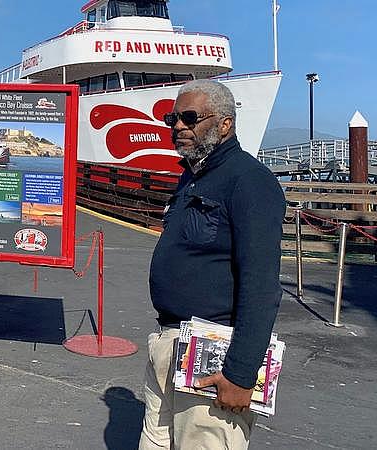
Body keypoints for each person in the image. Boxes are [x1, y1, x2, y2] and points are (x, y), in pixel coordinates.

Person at [139, 79, 285, 450]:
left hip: (213, 353)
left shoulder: (250, 182)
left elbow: (261, 285)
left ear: (224, 124)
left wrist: (240, 373)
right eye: (173, 118)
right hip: (169, 342)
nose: (178, 126)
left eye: (190, 118)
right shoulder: (192, 176)